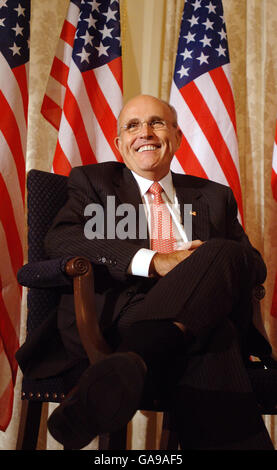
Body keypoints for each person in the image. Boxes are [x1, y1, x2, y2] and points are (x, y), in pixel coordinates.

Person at [17, 95, 274, 450]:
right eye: (133, 125)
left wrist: (204, 264)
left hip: (171, 325)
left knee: (225, 256)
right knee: (217, 334)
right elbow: (62, 238)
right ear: (118, 142)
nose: (145, 133)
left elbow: (253, 265)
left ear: (178, 137)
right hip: (120, 313)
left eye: (157, 122)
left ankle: (127, 366)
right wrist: (154, 261)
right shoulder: (93, 182)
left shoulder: (215, 196)